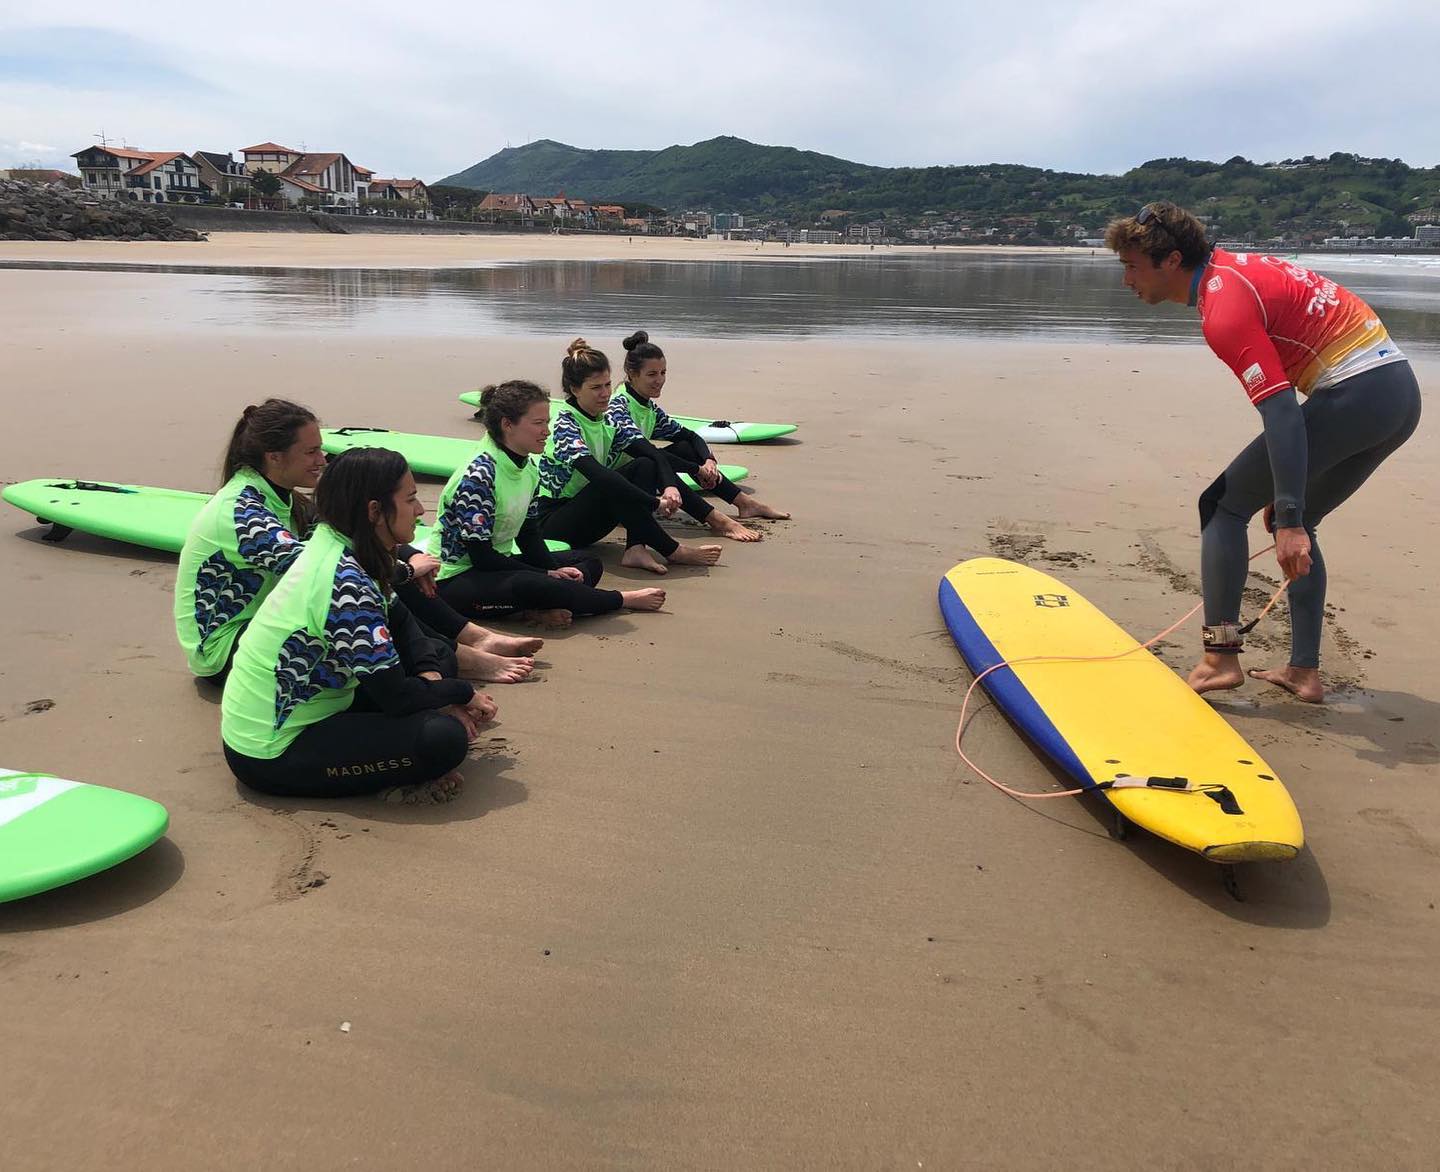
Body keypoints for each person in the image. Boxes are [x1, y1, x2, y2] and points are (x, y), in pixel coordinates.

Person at [1105, 201, 1422, 702]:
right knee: (1290, 512)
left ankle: (1220, 657)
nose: (1126, 280)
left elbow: (1282, 414)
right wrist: (1291, 511)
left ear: (1169, 260)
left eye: (1131, 266)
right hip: (1399, 396)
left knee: (1223, 506)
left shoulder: (1223, 308)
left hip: (1357, 394)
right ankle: (1304, 672)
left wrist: (1290, 517)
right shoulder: (1236, 268)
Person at [176, 399, 537, 686]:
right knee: (381, 588)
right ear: (274, 457)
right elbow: (321, 575)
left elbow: (358, 538)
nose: (323, 460)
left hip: (274, 622)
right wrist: (403, 571)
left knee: (389, 571)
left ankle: (471, 640)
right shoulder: (242, 512)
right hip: (228, 650)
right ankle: (459, 654)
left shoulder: (281, 496)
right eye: (312, 452)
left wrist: (407, 560)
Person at [221, 447, 495, 802]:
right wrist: (460, 693)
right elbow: (396, 698)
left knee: (437, 658)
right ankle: (405, 770)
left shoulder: (344, 545)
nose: (419, 510)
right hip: (272, 752)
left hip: (324, 701)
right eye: (410, 499)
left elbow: (402, 623)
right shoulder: (345, 582)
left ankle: (411, 742)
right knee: (441, 739)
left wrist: (433, 683)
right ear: (374, 511)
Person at [431, 379, 666, 627]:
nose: (547, 431)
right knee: (538, 584)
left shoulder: (527, 467)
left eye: (547, 422)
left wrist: (554, 569)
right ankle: (620, 600)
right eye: (538, 423)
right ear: (507, 425)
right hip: (455, 579)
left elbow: (528, 533)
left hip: (498, 567)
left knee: (586, 563)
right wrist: (547, 574)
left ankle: (535, 607)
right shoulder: (479, 476)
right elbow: (482, 557)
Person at [537, 338, 723, 576]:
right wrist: (653, 502)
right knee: (610, 482)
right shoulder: (565, 424)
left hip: (589, 520)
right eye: (596, 388)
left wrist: (669, 487)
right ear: (574, 390)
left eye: (607, 385)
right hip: (554, 523)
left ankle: (636, 548)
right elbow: (600, 476)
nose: (605, 394)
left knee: (643, 464)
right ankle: (672, 550)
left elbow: (652, 454)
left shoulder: (606, 419)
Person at [608, 330, 790, 542]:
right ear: (632, 374)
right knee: (651, 461)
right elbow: (651, 454)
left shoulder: (648, 407)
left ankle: (745, 503)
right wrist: (696, 469)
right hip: (614, 489)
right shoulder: (618, 406)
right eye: (652, 374)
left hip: (637, 479)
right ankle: (718, 521)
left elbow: (691, 436)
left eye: (663, 373)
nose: (660, 380)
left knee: (685, 447)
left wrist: (709, 460)